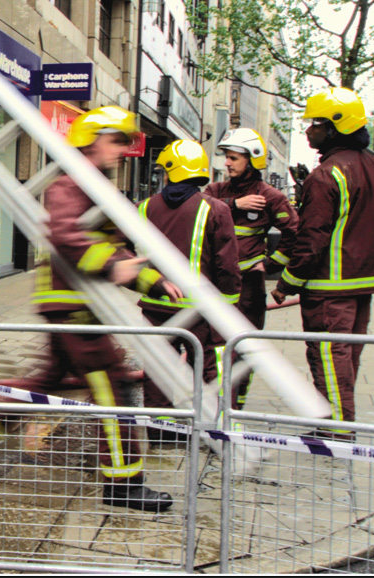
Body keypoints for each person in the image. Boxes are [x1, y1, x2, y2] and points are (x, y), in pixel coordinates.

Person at [22, 106, 183, 511]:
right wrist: (115, 266)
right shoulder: (69, 184)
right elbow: (67, 236)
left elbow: (118, 253)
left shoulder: (93, 187)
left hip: (77, 305)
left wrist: (155, 282)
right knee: (113, 390)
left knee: (46, 383)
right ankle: (123, 484)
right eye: (116, 141)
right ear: (90, 139)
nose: (123, 150)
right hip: (74, 307)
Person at [272, 88, 374, 439]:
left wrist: (287, 284)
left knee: (329, 353)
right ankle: (337, 418)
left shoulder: (326, 175)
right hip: (364, 281)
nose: (308, 131)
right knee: (348, 352)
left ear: (336, 127)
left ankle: (337, 427)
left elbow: (312, 239)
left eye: (316, 124)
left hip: (330, 286)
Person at [136, 140, 242, 437]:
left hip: (156, 306)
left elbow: (123, 252)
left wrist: (149, 282)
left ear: (170, 172)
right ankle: (212, 431)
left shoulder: (144, 208)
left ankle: (160, 434)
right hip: (202, 313)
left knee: (158, 370)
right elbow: (227, 264)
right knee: (209, 371)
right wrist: (229, 304)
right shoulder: (216, 209)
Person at [205, 128, 299, 413]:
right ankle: (214, 402)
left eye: (233, 158)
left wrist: (270, 265)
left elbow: (295, 234)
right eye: (226, 157)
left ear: (253, 159)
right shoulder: (216, 191)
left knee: (246, 345)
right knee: (212, 345)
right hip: (216, 284)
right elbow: (198, 209)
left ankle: (236, 405)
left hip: (249, 285)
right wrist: (235, 204)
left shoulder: (270, 196)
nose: (227, 164)